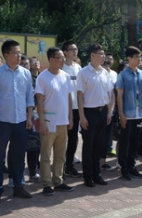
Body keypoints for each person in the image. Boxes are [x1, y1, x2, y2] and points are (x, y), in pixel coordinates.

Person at [0, 40, 34, 204]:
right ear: (6, 55)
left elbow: (29, 98)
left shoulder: (25, 73)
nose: (19, 55)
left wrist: (29, 117)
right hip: (2, 122)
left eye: (20, 52)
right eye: (15, 52)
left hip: (21, 121)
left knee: (18, 156)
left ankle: (18, 186)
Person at [35, 47, 75, 196]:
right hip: (49, 121)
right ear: (51, 60)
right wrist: (42, 122)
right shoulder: (42, 77)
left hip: (63, 122)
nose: (63, 60)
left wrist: (70, 117)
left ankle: (58, 181)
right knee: (46, 155)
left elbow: (69, 98)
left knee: (60, 155)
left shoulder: (65, 76)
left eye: (63, 57)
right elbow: (39, 101)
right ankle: (46, 183)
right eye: (60, 58)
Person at [77, 43, 114, 187]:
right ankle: (88, 176)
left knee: (99, 145)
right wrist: (82, 116)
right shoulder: (83, 73)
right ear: (92, 55)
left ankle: (97, 174)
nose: (104, 57)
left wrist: (109, 111)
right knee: (89, 146)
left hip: (102, 111)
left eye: (104, 54)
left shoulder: (105, 73)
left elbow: (109, 93)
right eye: (101, 54)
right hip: (89, 112)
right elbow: (79, 95)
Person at [116, 46, 142, 180]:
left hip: (139, 114)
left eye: (140, 57)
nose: (139, 59)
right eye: (136, 57)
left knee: (135, 142)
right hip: (128, 114)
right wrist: (121, 114)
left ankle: (132, 166)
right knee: (125, 142)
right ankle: (124, 169)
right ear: (129, 58)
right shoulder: (123, 75)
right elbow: (119, 96)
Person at [61, 41, 82, 178]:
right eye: (72, 49)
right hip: (63, 108)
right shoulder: (61, 68)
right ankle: (59, 165)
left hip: (76, 108)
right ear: (65, 52)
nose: (75, 52)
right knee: (61, 138)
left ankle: (69, 165)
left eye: (76, 49)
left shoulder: (79, 68)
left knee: (73, 138)